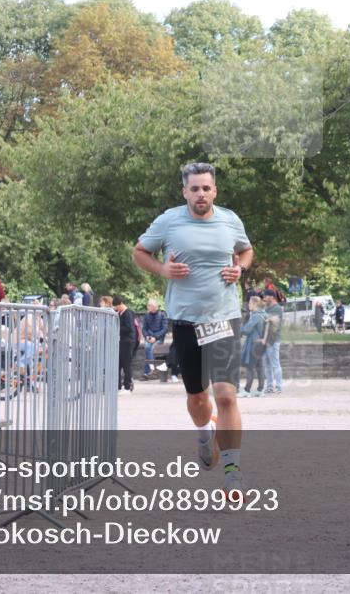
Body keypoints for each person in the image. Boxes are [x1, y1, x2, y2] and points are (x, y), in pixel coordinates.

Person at [132, 162, 255, 498]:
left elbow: (246, 250)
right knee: (198, 398)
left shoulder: (230, 219)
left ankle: (233, 474)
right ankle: (204, 432)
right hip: (186, 320)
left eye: (206, 188)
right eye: (195, 189)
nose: (201, 194)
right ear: (184, 191)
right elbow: (139, 252)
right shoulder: (168, 221)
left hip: (224, 317)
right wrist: (163, 269)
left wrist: (239, 269)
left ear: (214, 190)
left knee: (226, 396)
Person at [240, 295, 266, 397]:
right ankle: (260, 390)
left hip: (253, 344)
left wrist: (242, 324)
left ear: (255, 303)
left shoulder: (255, 316)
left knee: (250, 367)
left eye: (250, 303)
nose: (249, 305)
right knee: (260, 367)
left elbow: (246, 330)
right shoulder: (264, 314)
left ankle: (247, 390)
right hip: (261, 344)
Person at [260, 290, 284, 394]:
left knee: (275, 364)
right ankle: (269, 386)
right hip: (265, 340)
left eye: (266, 296)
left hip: (273, 340)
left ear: (272, 297)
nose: (264, 298)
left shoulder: (277, 308)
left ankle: (278, 387)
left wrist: (264, 317)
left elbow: (273, 323)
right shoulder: (266, 308)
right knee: (267, 365)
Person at [113, 295, 136, 393]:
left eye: (117, 306)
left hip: (127, 342)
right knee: (119, 364)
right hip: (121, 342)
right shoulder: (120, 313)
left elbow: (129, 328)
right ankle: (118, 386)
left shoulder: (128, 313)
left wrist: (116, 329)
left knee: (127, 365)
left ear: (121, 304)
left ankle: (127, 386)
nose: (116, 308)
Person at [141, 299, 168, 380]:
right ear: (148, 307)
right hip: (149, 338)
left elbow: (164, 329)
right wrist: (146, 336)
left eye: (154, 306)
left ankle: (148, 372)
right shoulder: (146, 316)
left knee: (152, 349)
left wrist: (155, 337)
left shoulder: (162, 315)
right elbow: (144, 329)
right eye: (150, 306)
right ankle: (151, 370)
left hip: (159, 338)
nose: (152, 308)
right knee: (147, 348)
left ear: (156, 306)